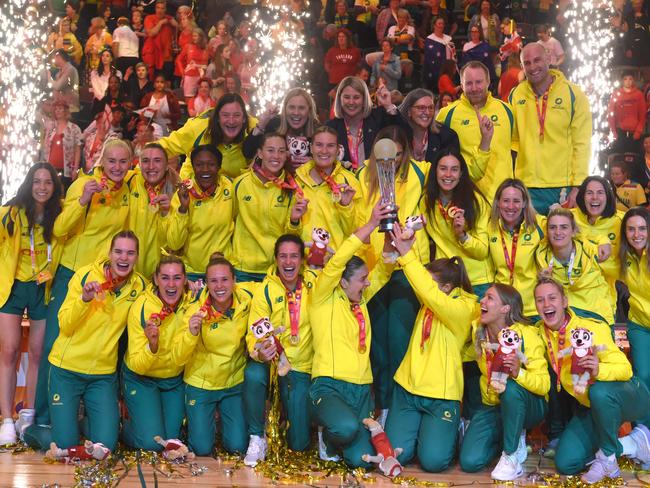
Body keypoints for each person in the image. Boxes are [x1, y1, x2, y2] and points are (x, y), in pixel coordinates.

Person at [28, 139, 134, 440]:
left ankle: (86, 418)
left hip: (102, 279)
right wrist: (83, 200)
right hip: (71, 274)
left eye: (122, 162)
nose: (116, 167)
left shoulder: (125, 191)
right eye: (111, 161)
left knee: (96, 345)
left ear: (129, 164)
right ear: (101, 160)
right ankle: (44, 418)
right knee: (54, 344)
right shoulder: (84, 184)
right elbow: (60, 230)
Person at [534, 278, 650, 484]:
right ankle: (630, 444)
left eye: (552, 298)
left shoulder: (589, 328)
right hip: (591, 407)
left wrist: (599, 369)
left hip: (629, 395)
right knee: (565, 463)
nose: (546, 305)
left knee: (599, 391)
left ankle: (608, 456)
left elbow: (625, 369)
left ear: (565, 301)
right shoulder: (539, 333)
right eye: (540, 300)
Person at [309, 201, 395, 466]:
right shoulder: (323, 296)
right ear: (343, 282)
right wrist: (370, 224)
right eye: (361, 279)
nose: (367, 283)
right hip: (329, 385)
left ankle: (341, 437)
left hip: (360, 390)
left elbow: (383, 271)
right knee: (345, 429)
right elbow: (337, 262)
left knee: (361, 461)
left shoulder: (361, 299)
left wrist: (391, 243)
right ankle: (327, 433)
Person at [385, 232, 479, 472]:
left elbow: (426, 289)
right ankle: (423, 433)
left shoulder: (464, 307)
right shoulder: (432, 298)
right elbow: (422, 282)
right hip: (408, 388)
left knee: (433, 462)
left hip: (441, 396)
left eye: (432, 284)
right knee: (398, 455)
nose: (424, 288)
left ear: (447, 287)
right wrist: (404, 246)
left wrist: (407, 255)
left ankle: (447, 431)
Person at [45, 231, 146, 452]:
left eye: (130, 253)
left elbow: (159, 304)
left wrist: (193, 295)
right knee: (64, 445)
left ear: (137, 257)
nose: (123, 258)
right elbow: (65, 324)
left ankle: (81, 424)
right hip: (67, 369)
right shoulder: (85, 276)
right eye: (118, 252)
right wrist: (84, 299)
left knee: (105, 446)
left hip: (102, 376)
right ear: (109, 253)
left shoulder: (140, 286)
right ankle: (29, 430)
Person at [356, 126, 431, 417]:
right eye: (388, 156)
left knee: (399, 342)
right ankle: (384, 407)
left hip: (403, 265)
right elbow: (356, 216)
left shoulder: (421, 172)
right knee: (378, 348)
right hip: (374, 267)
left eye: (399, 155)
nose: (394, 161)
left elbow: (457, 170)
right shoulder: (362, 175)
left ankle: (400, 412)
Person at [0, 164, 63, 445]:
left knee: (38, 353)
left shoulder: (58, 215)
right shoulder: (11, 213)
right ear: (29, 183)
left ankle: (28, 415)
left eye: (48, 182)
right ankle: (6, 420)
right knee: (9, 351)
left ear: (54, 187)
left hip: (42, 288)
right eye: (37, 181)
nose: (42, 187)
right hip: (13, 287)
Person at [242, 235, 318, 465]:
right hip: (272, 364)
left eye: (294, 256)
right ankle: (257, 437)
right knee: (253, 374)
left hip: (301, 368)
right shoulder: (265, 289)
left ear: (302, 260)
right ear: (275, 259)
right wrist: (259, 352)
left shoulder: (315, 283)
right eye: (283, 256)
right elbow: (253, 334)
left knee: (298, 445)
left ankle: (287, 425)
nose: (288, 262)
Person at [460, 284, 549, 481]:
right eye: (484, 297)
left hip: (530, 405)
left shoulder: (526, 335)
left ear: (505, 308)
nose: (482, 301)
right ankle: (511, 436)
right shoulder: (479, 331)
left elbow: (544, 384)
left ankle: (510, 456)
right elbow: (466, 355)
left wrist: (518, 373)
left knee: (511, 388)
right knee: (469, 462)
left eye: (490, 298)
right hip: (494, 405)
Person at [172, 256, 250, 456]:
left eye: (224, 279)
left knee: (237, 447)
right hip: (201, 385)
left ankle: (225, 428)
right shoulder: (195, 311)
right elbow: (178, 358)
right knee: (201, 449)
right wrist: (191, 334)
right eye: (213, 281)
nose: (220, 286)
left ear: (234, 281)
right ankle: (196, 427)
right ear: (206, 283)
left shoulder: (247, 301)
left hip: (233, 383)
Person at [510, 43, 592, 215]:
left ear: (548, 59)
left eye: (537, 60)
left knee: (561, 240)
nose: (533, 67)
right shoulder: (516, 95)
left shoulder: (573, 94)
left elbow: (582, 143)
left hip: (562, 185)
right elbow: (512, 142)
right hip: (526, 184)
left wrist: (579, 185)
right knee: (528, 241)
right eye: (527, 63)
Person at [121, 255, 190, 451]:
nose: (171, 284)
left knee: (170, 443)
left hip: (173, 381)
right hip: (141, 378)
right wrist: (152, 346)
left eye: (177, 278)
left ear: (185, 280)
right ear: (156, 279)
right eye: (165, 278)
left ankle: (148, 422)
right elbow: (136, 364)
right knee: (152, 444)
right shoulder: (141, 307)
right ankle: (120, 428)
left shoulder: (191, 303)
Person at [230, 133, 307, 282]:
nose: (276, 156)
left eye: (281, 151)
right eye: (270, 150)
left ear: (286, 155)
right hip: (242, 268)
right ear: (260, 153)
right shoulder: (240, 184)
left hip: (276, 268)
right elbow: (229, 222)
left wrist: (294, 221)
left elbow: (291, 236)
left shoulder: (292, 188)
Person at [436, 61, 513, 200]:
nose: (474, 88)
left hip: (503, 198)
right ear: (461, 83)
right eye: (469, 83)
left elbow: (517, 150)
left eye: (479, 82)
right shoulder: (447, 114)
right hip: (468, 199)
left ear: (488, 82)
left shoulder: (507, 110)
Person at [535, 208, 614, 326]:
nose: (557, 232)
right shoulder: (541, 257)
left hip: (596, 316)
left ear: (573, 231)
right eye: (552, 227)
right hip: (566, 320)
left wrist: (604, 240)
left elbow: (619, 272)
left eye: (564, 227)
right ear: (547, 232)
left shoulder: (594, 253)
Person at [167, 145, 234, 281]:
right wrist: (183, 209)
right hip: (191, 273)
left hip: (222, 272)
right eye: (199, 165)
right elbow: (174, 244)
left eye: (211, 164)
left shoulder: (231, 188)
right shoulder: (183, 192)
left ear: (219, 167)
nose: (205, 170)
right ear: (192, 166)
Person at [157, 93, 257, 180]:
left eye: (236, 115)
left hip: (233, 195)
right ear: (217, 117)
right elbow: (167, 146)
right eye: (225, 115)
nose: (231, 121)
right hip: (194, 192)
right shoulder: (198, 128)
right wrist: (145, 160)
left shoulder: (254, 129)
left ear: (244, 118)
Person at [294, 126, 360, 251]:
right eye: (319, 145)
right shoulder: (296, 180)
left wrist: (346, 207)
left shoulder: (350, 182)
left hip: (335, 263)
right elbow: (289, 228)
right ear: (311, 148)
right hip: (302, 262)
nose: (324, 151)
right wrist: (294, 220)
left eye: (330, 146)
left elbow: (356, 231)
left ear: (338, 150)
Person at [488, 179, 544, 320]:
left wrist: (601, 241)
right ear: (498, 202)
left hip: (531, 308)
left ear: (524, 203)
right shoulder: (490, 228)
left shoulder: (539, 225)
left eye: (516, 201)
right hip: (502, 309)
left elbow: (573, 230)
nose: (511, 206)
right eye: (506, 200)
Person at [618, 207, 650, 432]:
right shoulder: (622, 257)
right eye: (631, 229)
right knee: (642, 376)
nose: (637, 234)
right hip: (639, 325)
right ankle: (643, 433)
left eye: (642, 228)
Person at [326, 76, 399, 171]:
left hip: (375, 181)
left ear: (364, 99)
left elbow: (403, 134)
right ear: (340, 99)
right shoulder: (331, 127)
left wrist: (389, 106)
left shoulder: (377, 118)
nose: (351, 102)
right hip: (344, 184)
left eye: (356, 97)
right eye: (346, 97)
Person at [126, 144, 177, 278]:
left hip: (158, 275)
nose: (151, 166)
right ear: (140, 164)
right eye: (146, 161)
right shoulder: (129, 181)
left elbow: (174, 243)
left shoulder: (176, 193)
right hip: (127, 270)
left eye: (157, 161)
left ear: (167, 165)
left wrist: (166, 213)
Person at [571, 176, 624, 303]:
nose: (595, 197)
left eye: (600, 192)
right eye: (589, 193)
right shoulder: (569, 218)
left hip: (604, 298)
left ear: (608, 196)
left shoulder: (622, 221)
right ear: (582, 197)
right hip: (572, 294)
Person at [244, 88, 320, 173]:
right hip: (274, 182)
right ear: (285, 109)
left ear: (309, 111)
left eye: (301, 108)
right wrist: (263, 123)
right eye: (291, 107)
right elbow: (248, 152)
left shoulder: (318, 132)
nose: (296, 112)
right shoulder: (275, 125)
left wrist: (315, 163)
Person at [398, 88, 460, 163]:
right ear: (409, 111)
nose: (427, 112)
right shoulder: (399, 134)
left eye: (431, 108)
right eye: (421, 108)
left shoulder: (447, 136)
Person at [40, 101, 82, 189]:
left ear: (66, 111)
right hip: (50, 167)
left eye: (60, 109)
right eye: (55, 109)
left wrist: (75, 169)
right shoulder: (50, 127)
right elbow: (45, 147)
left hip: (67, 169)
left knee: (66, 192)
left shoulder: (74, 128)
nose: (57, 111)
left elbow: (78, 150)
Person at [608, 71, 647, 155]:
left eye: (630, 79)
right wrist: (614, 132)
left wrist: (638, 132)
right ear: (622, 81)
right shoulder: (616, 94)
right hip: (620, 133)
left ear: (633, 80)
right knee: (621, 161)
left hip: (635, 134)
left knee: (634, 161)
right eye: (625, 79)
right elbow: (611, 115)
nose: (628, 81)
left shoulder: (638, 95)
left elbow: (642, 115)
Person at [142, 0, 178, 80]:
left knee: (167, 82)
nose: (160, 10)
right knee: (152, 81)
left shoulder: (170, 19)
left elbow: (177, 34)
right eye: (158, 8)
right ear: (155, 9)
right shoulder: (149, 18)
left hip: (167, 57)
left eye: (162, 8)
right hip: (153, 57)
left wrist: (176, 26)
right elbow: (151, 33)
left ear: (165, 9)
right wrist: (161, 23)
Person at [176, 28, 209, 103]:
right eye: (193, 36)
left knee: (201, 98)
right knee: (189, 99)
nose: (194, 38)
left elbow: (207, 63)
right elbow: (178, 59)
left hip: (201, 76)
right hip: (189, 76)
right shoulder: (188, 46)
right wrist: (182, 72)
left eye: (196, 36)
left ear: (201, 37)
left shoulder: (206, 48)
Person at [422, 17, 456, 93]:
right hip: (434, 70)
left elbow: (453, 54)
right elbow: (429, 57)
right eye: (439, 23)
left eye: (442, 24)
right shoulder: (429, 39)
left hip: (448, 69)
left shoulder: (448, 39)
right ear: (434, 25)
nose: (441, 26)